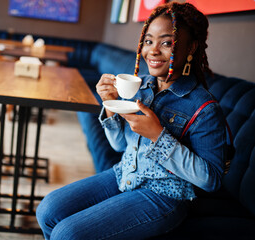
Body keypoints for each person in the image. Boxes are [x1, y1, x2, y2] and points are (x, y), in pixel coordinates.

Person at [36, 2, 228, 239]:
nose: (153, 51)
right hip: (125, 172)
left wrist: (158, 136)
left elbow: (211, 180)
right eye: (148, 41)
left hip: (165, 195)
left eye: (166, 42)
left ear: (191, 47)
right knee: (47, 210)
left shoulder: (204, 108)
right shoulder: (142, 87)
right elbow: (118, 145)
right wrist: (109, 105)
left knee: (68, 234)